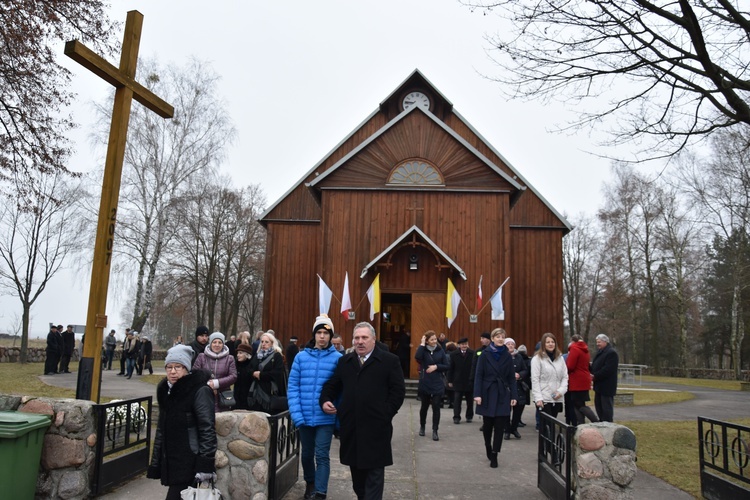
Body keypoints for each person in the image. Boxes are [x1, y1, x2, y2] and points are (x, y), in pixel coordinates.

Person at [320, 322, 405, 500]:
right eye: (357, 338)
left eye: (364, 338)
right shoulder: (345, 361)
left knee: (374, 476)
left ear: (373, 340)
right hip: (352, 428)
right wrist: (325, 400)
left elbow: (398, 392)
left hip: (377, 429)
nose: (360, 341)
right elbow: (332, 385)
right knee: (358, 479)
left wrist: (385, 414)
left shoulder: (389, 361)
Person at [147, 345, 217, 500]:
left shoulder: (199, 390)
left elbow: (207, 428)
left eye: (178, 367)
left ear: (186, 368)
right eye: (169, 367)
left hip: (190, 461)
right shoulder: (167, 391)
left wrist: (205, 464)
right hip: (172, 459)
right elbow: (161, 429)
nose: (173, 371)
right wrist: (156, 462)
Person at [288, 315, 342, 500]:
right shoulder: (301, 357)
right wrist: (297, 414)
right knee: (307, 455)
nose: (322, 336)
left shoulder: (338, 359)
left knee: (322, 455)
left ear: (330, 335)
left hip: (325, 417)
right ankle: (310, 483)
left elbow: (341, 387)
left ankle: (320, 492)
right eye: (319, 332)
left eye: (326, 333)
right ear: (314, 334)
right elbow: (293, 386)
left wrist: (336, 407)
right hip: (303, 415)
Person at [473, 328, 517, 468]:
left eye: (502, 337)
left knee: (500, 425)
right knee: (487, 426)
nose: (500, 339)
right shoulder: (485, 354)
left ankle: (495, 453)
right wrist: (477, 394)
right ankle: (488, 445)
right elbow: (478, 375)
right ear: (492, 339)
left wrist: (514, 395)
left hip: (502, 393)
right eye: (497, 336)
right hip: (487, 392)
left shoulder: (507, 355)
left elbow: (511, 377)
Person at [414, 331, 449, 441]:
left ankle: (435, 430)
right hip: (426, 381)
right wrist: (422, 344)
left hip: (437, 382)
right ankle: (422, 426)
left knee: (436, 407)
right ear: (427, 340)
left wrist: (436, 367)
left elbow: (447, 365)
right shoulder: (423, 350)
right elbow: (417, 357)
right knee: (424, 407)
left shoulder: (440, 350)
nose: (434, 341)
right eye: (432, 339)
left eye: (435, 339)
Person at [193, 332, 238, 412]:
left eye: (220, 342)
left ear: (223, 344)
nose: (217, 345)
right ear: (210, 343)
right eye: (214, 342)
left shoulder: (229, 359)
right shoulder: (201, 357)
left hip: (223, 398)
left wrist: (217, 383)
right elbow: (195, 375)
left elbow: (233, 376)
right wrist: (208, 385)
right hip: (205, 396)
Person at [247, 331, 286, 413]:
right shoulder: (257, 355)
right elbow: (249, 368)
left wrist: (261, 375)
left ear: (272, 343)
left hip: (270, 391)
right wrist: (253, 373)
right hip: (256, 391)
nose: (263, 344)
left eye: (266, 342)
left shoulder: (277, 355)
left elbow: (277, 373)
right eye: (262, 342)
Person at [566, 334, 599, 425]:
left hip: (577, 380)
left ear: (573, 341)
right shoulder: (585, 350)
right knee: (578, 404)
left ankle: (596, 421)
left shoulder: (574, 349)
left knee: (579, 404)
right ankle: (580, 424)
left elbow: (570, 366)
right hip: (584, 379)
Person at [591, 333, 619, 422]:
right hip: (599, 386)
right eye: (597, 342)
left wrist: (595, 376)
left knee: (606, 409)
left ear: (605, 342)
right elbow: (595, 365)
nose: (597, 344)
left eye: (599, 342)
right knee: (599, 407)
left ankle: (608, 425)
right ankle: (602, 423)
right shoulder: (600, 352)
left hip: (607, 387)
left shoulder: (611, 353)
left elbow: (608, 370)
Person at [504, 338, 529, 439]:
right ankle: (506, 430)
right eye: (508, 344)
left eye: (512, 344)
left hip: (518, 386)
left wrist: (520, 375)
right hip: (507, 387)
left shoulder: (519, 357)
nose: (510, 346)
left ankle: (514, 428)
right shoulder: (502, 356)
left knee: (518, 409)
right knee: (506, 410)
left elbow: (525, 369)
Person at [448, 337, 475, 424]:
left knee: (470, 401)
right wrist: (450, 380)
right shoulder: (453, 354)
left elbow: (474, 368)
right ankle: (456, 417)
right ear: (459, 345)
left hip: (469, 380)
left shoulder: (472, 353)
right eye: (463, 344)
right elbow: (450, 368)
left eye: (466, 344)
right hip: (458, 381)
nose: (464, 346)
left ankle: (469, 416)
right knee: (457, 401)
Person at [233, 344, 254, 410]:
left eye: (240, 353)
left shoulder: (252, 366)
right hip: (236, 397)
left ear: (247, 354)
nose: (238, 355)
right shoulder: (235, 365)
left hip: (248, 398)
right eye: (237, 353)